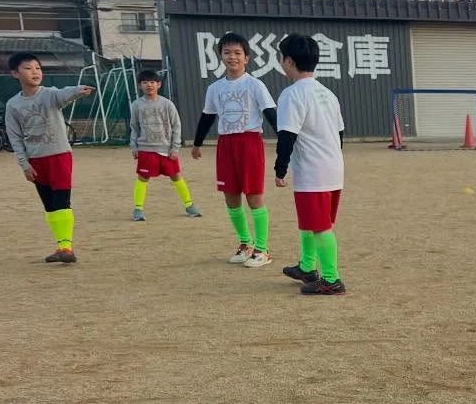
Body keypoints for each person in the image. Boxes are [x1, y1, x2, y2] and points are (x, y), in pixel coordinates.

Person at [191, 33, 278, 267]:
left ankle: (262, 249)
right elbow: (207, 116)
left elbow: (271, 114)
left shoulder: (255, 85)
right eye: (227, 52)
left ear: (247, 58)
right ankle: (245, 243)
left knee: (254, 196)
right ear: (221, 56)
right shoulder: (215, 88)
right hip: (226, 144)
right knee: (231, 197)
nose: (233, 57)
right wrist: (197, 143)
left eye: (238, 53)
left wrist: (285, 142)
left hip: (249, 142)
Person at [274, 33, 348, 296]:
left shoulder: (292, 95)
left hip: (313, 171)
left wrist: (279, 169)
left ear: (289, 61)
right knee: (311, 221)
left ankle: (331, 279)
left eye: (282, 57)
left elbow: (287, 136)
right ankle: (307, 267)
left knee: (320, 226)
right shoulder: (327, 93)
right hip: (332, 167)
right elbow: (340, 134)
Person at [4, 53, 93, 264]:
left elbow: (64, 95)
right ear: (15, 73)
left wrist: (78, 91)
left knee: (62, 201)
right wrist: (24, 164)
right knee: (50, 205)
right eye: (28, 68)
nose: (35, 72)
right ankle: (61, 245)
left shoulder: (49, 94)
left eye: (38, 67)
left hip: (59, 155)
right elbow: (14, 137)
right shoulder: (13, 105)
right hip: (35, 161)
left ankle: (66, 247)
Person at [129, 70, 201, 221]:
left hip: (166, 149)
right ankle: (138, 209)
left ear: (159, 84)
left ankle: (189, 205)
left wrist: (175, 147)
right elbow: (134, 127)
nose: (149, 85)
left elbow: (176, 126)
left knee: (176, 176)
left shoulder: (167, 104)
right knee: (143, 177)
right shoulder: (136, 105)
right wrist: (134, 147)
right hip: (146, 149)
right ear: (140, 85)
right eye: (145, 82)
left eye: (152, 82)